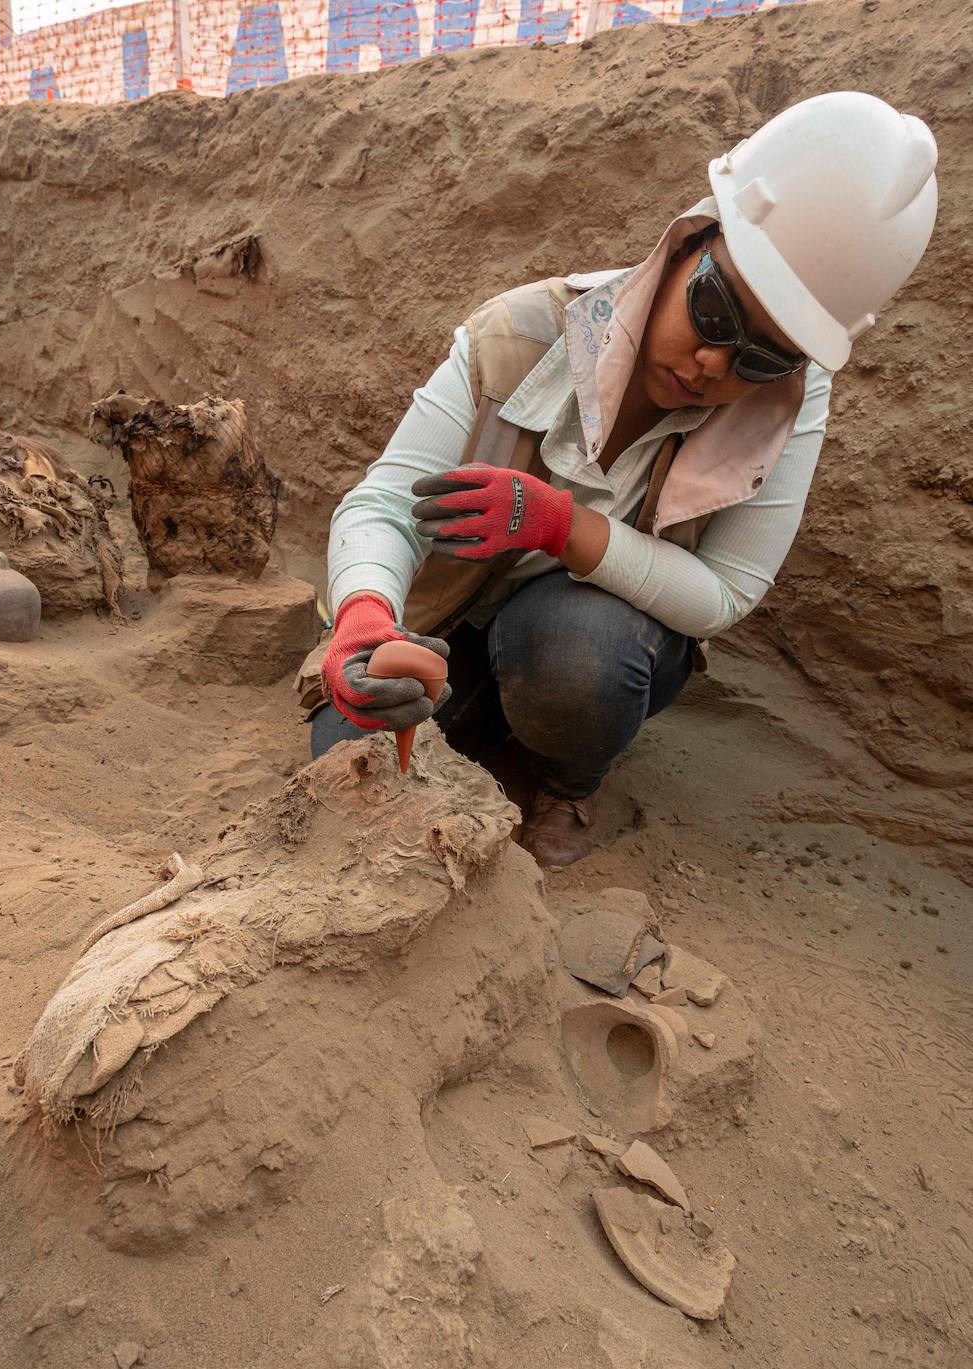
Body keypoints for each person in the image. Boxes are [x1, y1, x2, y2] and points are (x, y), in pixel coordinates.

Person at [304, 92, 938, 869]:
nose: (716, 364)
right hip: (457, 620)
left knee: (577, 653)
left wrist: (563, 529)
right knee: (347, 752)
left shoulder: (787, 408)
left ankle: (568, 778)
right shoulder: (518, 333)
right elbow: (382, 506)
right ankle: (482, 725)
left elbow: (726, 593)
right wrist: (365, 613)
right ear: (684, 245)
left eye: (763, 357)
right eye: (714, 311)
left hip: (588, 646)